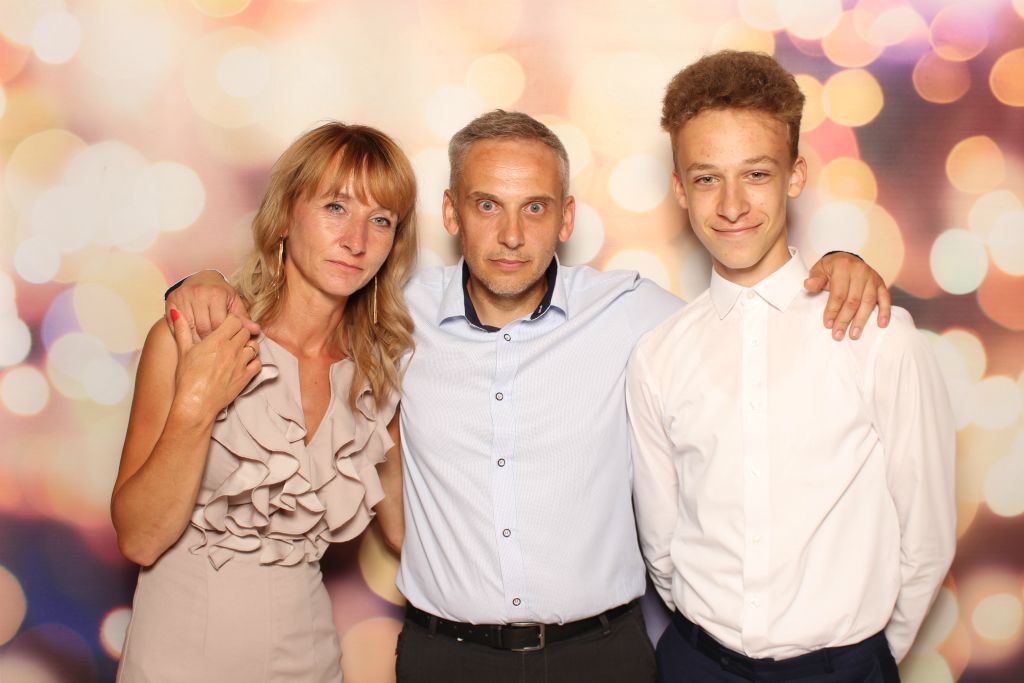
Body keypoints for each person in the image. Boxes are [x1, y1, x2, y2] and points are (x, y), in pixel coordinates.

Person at [167, 110, 892, 683]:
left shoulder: (632, 313)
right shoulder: (394, 318)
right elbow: (294, 305)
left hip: (602, 657)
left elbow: (745, 322)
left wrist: (833, 267)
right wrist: (198, 284)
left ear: (566, 219)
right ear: (452, 212)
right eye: (488, 204)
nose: (511, 235)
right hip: (445, 657)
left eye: (535, 208)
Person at [625, 51, 956, 683]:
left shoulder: (878, 337)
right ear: (680, 190)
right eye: (706, 178)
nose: (731, 205)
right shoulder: (658, 355)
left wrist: (866, 657)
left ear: (795, 176)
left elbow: (928, 537)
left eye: (756, 173)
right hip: (698, 664)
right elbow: (662, 545)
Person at [111, 122, 417, 682]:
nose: (356, 240)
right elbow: (140, 538)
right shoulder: (194, 337)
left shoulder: (378, 374)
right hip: (181, 660)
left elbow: (405, 533)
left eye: (381, 220)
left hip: (310, 662)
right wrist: (199, 403)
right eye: (335, 207)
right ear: (284, 215)